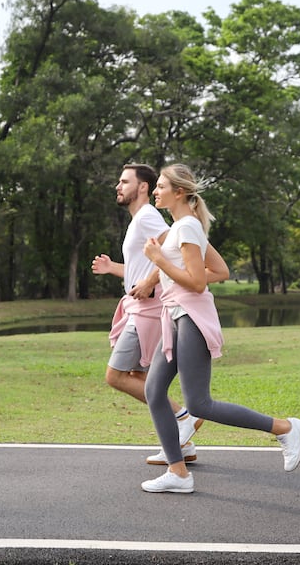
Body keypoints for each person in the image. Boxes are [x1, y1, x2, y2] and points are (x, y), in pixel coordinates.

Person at [139, 163, 300, 494]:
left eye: (159, 186)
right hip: (175, 317)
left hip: (190, 317)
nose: (155, 191)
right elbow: (221, 270)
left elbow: (199, 284)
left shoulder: (186, 228)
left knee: (199, 403)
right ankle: (178, 472)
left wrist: (160, 262)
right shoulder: (183, 228)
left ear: (180, 192)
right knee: (154, 390)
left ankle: (285, 428)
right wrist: (171, 273)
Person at [92, 164, 229, 464]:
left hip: (150, 310)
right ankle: (181, 449)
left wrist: (152, 280)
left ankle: (183, 419)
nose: (118, 185)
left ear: (142, 186)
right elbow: (148, 267)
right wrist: (114, 268)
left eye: (124, 181)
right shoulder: (141, 219)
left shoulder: (151, 217)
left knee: (116, 376)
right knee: (141, 377)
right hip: (143, 308)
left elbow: (170, 254)